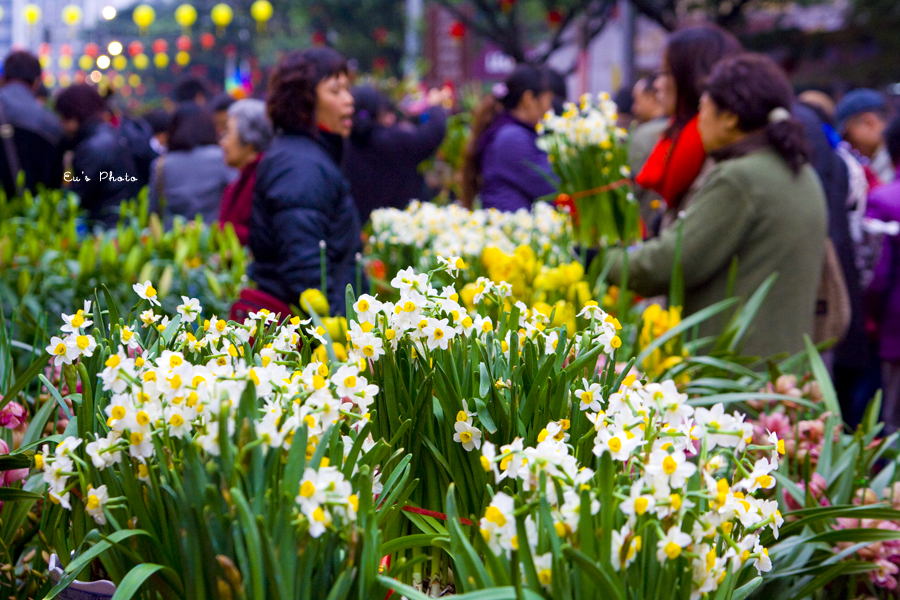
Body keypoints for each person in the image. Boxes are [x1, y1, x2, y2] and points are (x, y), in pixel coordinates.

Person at [607, 54, 827, 358]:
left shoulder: (741, 179)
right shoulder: (801, 171)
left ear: (730, 118)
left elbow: (673, 262)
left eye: (703, 109)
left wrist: (603, 260)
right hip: (781, 369)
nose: (699, 121)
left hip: (736, 370)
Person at [246, 47, 361, 317]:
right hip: (309, 336)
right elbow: (306, 269)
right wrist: (333, 335)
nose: (349, 100)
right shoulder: (300, 165)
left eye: (347, 89)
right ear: (304, 101)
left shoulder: (308, 155)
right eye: (336, 91)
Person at [635, 25, 742, 233]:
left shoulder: (717, 151)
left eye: (664, 73)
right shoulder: (682, 138)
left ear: (690, 78)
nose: (656, 84)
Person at [344, 84, 448, 224]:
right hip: (400, 228)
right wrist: (435, 107)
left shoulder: (346, 144)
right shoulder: (387, 140)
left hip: (361, 227)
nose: (391, 119)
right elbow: (431, 135)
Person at [460, 64, 556, 211]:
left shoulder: (509, 132)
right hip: (511, 230)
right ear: (529, 99)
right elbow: (552, 187)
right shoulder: (512, 139)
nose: (549, 109)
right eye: (548, 101)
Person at [56, 84, 142, 227]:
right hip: (121, 222)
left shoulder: (93, 147)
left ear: (74, 116)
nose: (62, 125)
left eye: (64, 118)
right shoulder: (111, 135)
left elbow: (76, 197)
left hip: (104, 228)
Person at [148, 103, 235, 227]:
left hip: (174, 239)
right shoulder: (222, 157)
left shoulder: (161, 164)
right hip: (214, 237)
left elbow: (153, 211)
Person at [867, 115, 900, 431]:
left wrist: (870, 319)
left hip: (894, 326)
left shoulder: (884, 200)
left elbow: (877, 273)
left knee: (891, 420)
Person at [0, 51, 63, 197]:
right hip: (30, 212)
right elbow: (54, 182)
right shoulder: (50, 122)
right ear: (36, 82)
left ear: (3, 78)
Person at [219, 99, 272, 245]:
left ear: (250, 140)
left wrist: (214, 232)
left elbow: (261, 236)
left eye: (228, 133)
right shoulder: (239, 182)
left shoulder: (264, 180)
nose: (222, 143)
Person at [629, 76, 668, 229]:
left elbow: (631, 188)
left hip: (647, 226)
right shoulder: (682, 130)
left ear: (652, 97)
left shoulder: (642, 136)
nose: (633, 108)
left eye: (637, 100)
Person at [836, 89, 894, 185]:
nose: (850, 145)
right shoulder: (882, 160)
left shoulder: (892, 162)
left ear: (869, 122)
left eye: (848, 136)